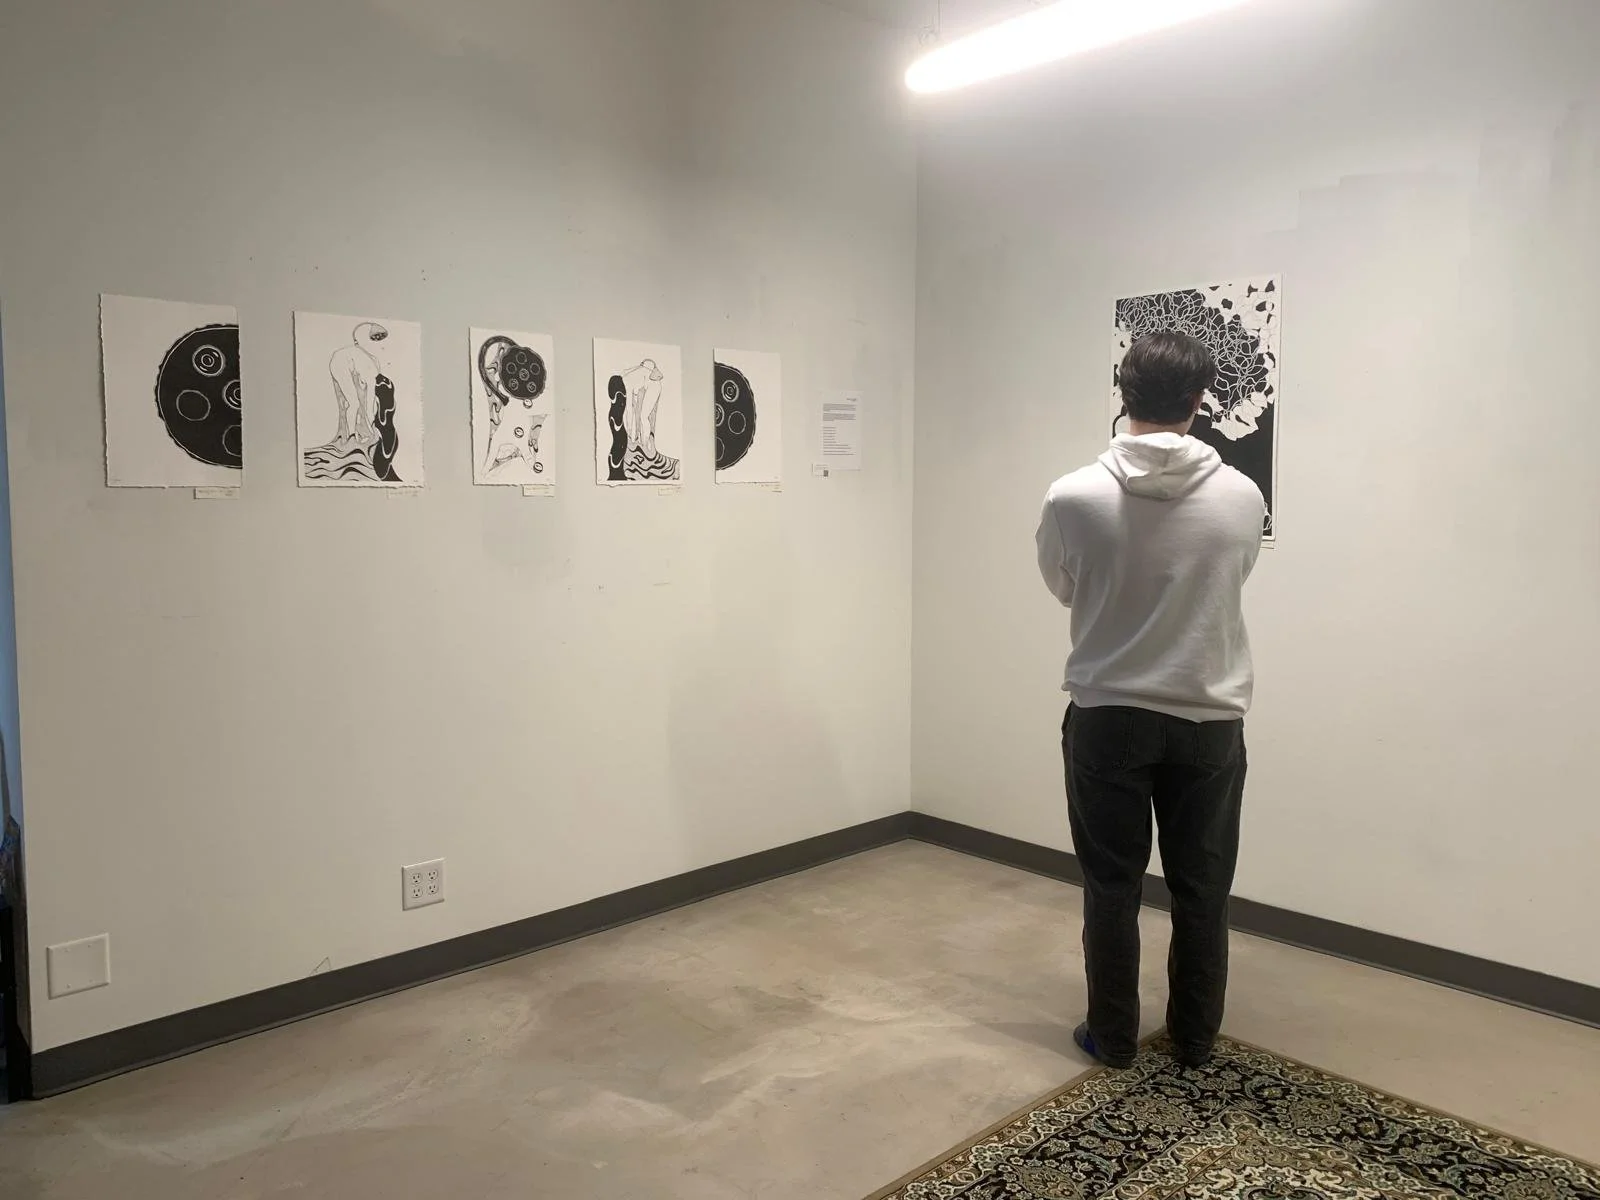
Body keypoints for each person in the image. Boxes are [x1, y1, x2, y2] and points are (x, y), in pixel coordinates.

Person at [1035, 330, 1264, 1071]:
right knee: (1204, 889)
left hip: (1108, 716)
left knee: (1111, 886)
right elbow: (1230, 582)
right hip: (1208, 717)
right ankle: (1194, 1039)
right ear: (1199, 401)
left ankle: (1113, 1036)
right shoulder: (1242, 496)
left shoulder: (1072, 496)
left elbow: (1063, 585)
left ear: (1123, 392)